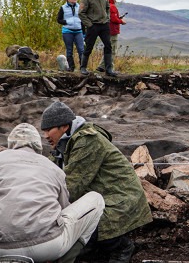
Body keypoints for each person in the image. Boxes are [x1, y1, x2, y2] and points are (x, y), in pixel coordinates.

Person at [0, 123, 104, 263]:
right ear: (38, 146)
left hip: (5, 249)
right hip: (49, 247)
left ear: (11, 144)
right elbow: (63, 208)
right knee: (96, 199)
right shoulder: (54, 169)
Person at [40, 101, 153, 263]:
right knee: (79, 246)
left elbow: (72, 186)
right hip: (104, 196)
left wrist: (45, 209)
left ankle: (121, 246)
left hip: (119, 201)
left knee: (82, 226)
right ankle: (98, 246)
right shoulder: (64, 145)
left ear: (64, 127)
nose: (45, 136)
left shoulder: (87, 141)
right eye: (43, 131)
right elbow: (50, 173)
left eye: (48, 130)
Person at [79, 0, 116, 76]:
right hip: (93, 25)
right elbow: (81, 13)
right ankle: (83, 67)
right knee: (89, 47)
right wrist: (89, 25)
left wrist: (107, 18)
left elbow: (107, 7)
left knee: (108, 45)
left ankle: (108, 69)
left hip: (104, 25)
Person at [97, 0, 126, 73]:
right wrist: (121, 21)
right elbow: (113, 19)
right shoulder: (112, 7)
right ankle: (109, 68)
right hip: (112, 31)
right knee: (112, 50)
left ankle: (102, 66)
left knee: (108, 48)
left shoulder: (104, 6)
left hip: (106, 30)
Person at [56, 0, 84, 72]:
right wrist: (67, 22)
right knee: (69, 50)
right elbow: (59, 20)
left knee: (81, 50)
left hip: (79, 31)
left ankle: (83, 67)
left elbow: (83, 20)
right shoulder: (63, 8)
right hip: (67, 31)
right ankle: (71, 67)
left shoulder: (80, 7)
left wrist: (84, 33)